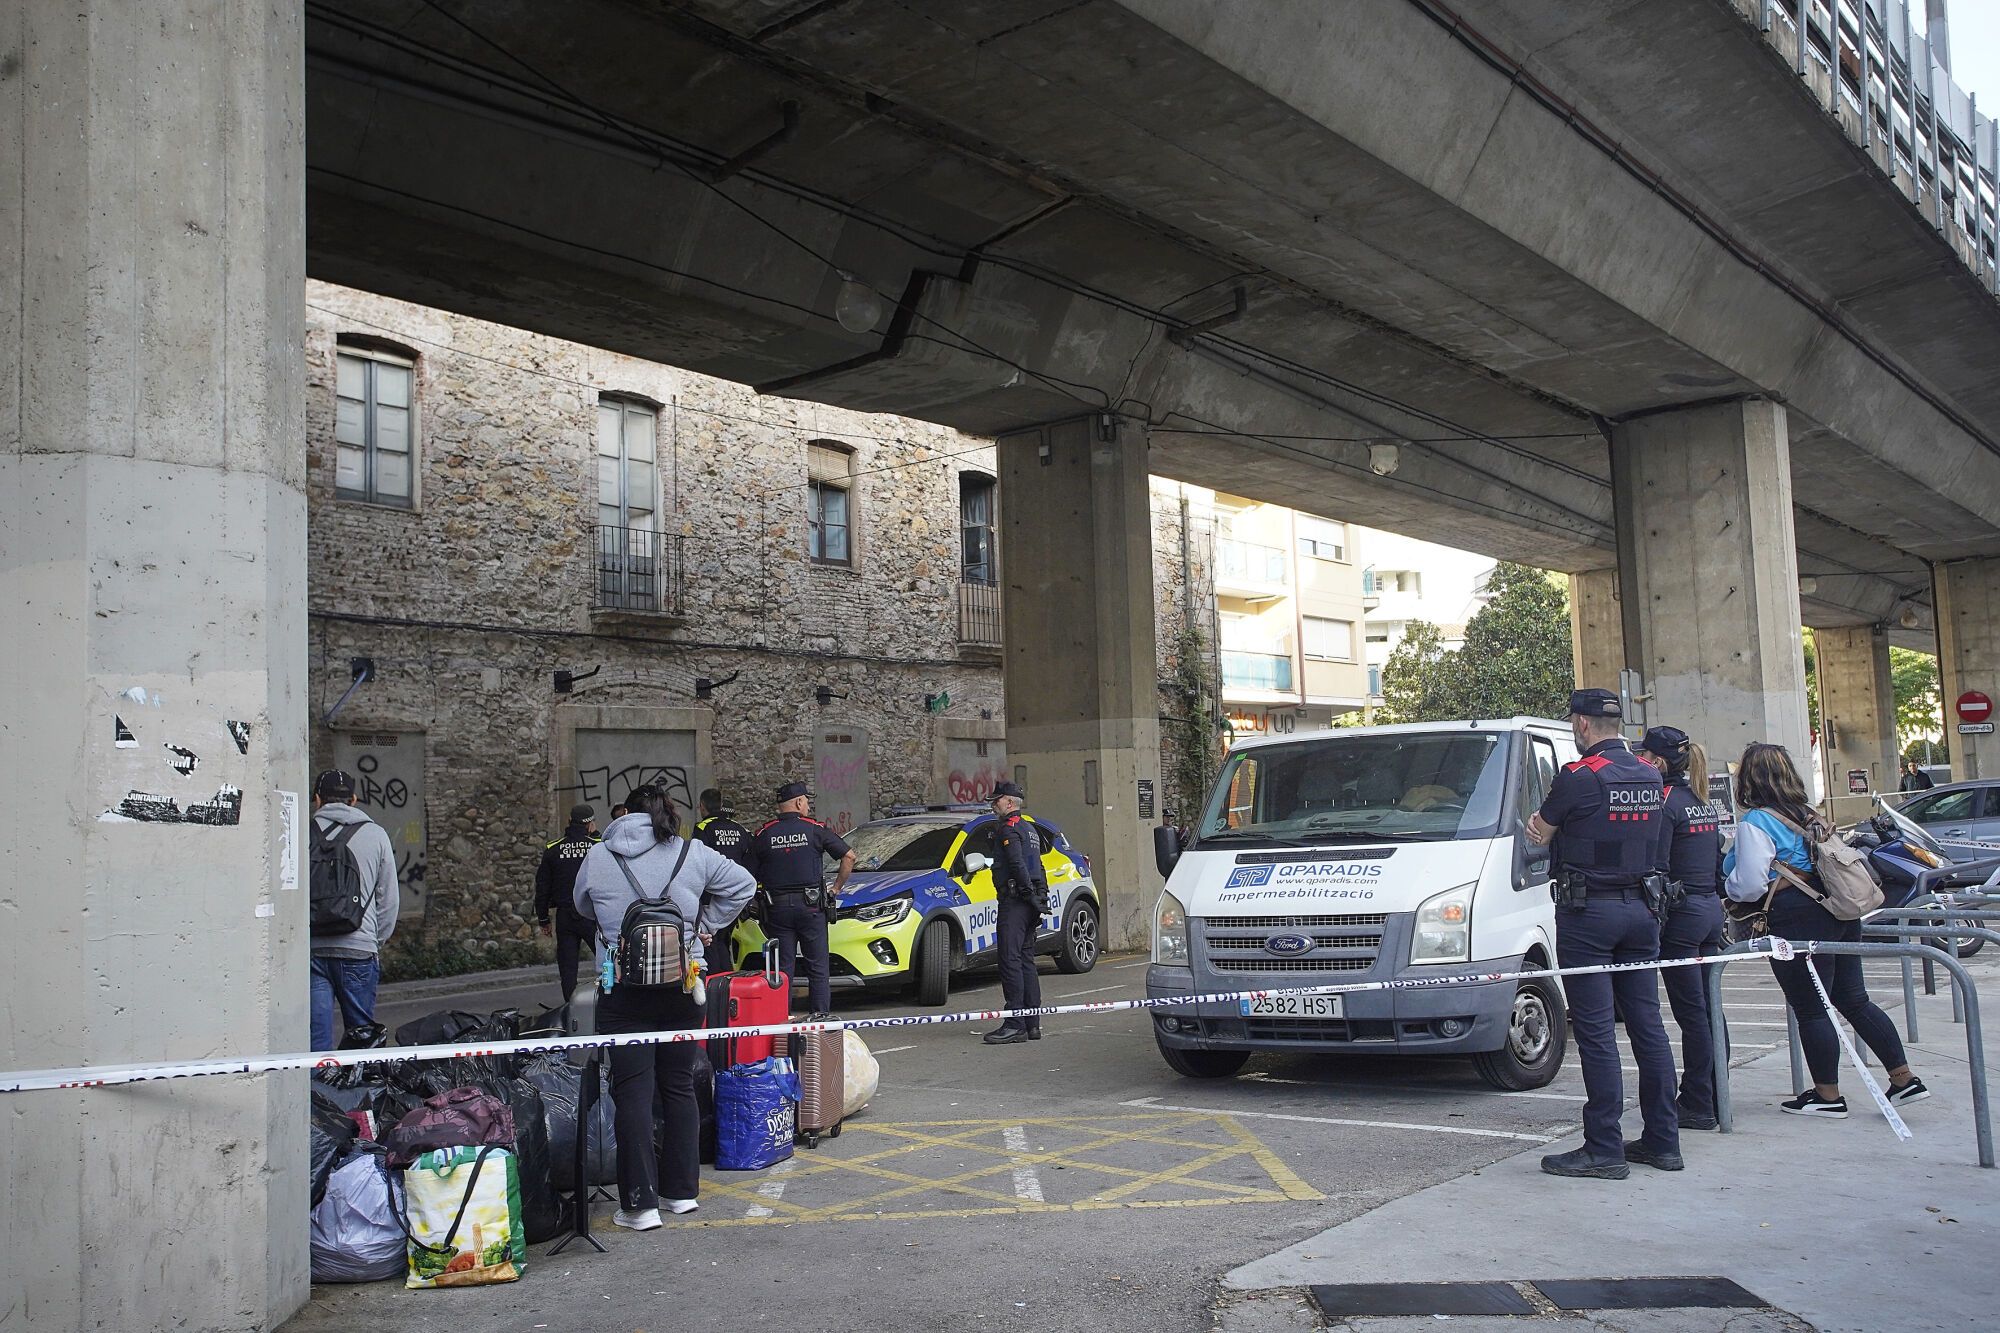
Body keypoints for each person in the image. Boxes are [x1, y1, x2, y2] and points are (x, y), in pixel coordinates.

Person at [572, 784, 754, 1230]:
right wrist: (702, 927)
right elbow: (744, 885)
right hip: (683, 986)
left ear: (624, 815)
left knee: (632, 1091)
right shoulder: (692, 852)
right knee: (679, 1085)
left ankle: (639, 1206)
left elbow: (581, 906)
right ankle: (681, 1194)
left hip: (623, 991)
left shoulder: (599, 855)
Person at [1725, 742, 1930, 1117]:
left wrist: (1728, 886)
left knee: (1810, 1007)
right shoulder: (1809, 815)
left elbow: (1751, 884)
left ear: (1748, 780)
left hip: (1796, 918)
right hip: (1840, 910)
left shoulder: (1757, 822)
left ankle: (1827, 1095)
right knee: (1853, 999)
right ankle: (1904, 1079)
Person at [1524, 689, 1680, 1179]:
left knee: (1594, 1031)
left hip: (1588, 913)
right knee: (1648, 1026)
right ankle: (1662, 1140)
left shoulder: (1578, 776)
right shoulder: (1650, 774)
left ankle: (1604, 1148)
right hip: (1642, 910)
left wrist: (1545, 828)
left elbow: (1540, 832)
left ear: (1582, 726)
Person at [1636, 727, 1726, 1131]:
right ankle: (1715, 1091)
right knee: (1709, 1010)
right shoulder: (1700, 799)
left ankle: (1697, 1102)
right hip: (1709, 909)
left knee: (1692, 1015)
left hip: (1683, 916)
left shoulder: (1665, 802)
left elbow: (1655, 866)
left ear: (1656, 761)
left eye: (1645, 755)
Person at [309, 769, 401, 1051]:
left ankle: (317, 1093)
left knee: (315, 1042)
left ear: (317, 800)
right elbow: (389, 901)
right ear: (354, 799)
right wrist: (374, 941)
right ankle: (358, 1094)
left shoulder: (300, 833)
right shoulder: (375, 834)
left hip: (311, 952)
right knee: (362, 1040)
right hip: (359, 950)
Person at [749, 780, 854, 1015]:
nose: (807, 805)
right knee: (817, 967)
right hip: (811, 907)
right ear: (798, 802)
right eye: (806, 801)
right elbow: (849, 856)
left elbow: (746, 874)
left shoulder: (765, 833)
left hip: (777, 911)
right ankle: (819, 1019)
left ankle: (781, 1019)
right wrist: (835, 889)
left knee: (782, 970)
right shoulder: (814, 829)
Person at [983, 782, 1049, 1046]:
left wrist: (1026, 892)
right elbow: (1039, 865)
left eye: (996, 800)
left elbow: (1017, 863)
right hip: (1029, 901)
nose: (993, 805)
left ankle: (1015, 1023)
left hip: (1016, 900)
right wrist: (1039, 896)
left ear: (1009, 803)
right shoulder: (1029, 828)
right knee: (1025, 960)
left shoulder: (1008, 829)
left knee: (1010, 959)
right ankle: (1032, 1023)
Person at [534, 803, 599, 1000]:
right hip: (592, 915)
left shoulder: (553, 849)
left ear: (569, 822)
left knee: (568, 968)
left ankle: (571, 1008)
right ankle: (610, 1004)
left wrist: (543, 919)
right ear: (590, 825)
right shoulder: (598, 846)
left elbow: (543, 887)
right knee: (608, 962)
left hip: (565, 917)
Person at [693, 788, 754, 975]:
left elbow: (697, 862)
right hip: (735, 898)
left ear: (702, 807)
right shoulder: (740, 830)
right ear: (721, 805)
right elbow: (751, 859)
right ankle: (728, 981)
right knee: (726, 941)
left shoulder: (703, 828)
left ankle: (716, 983)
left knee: (710, 942)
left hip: (710, 898)